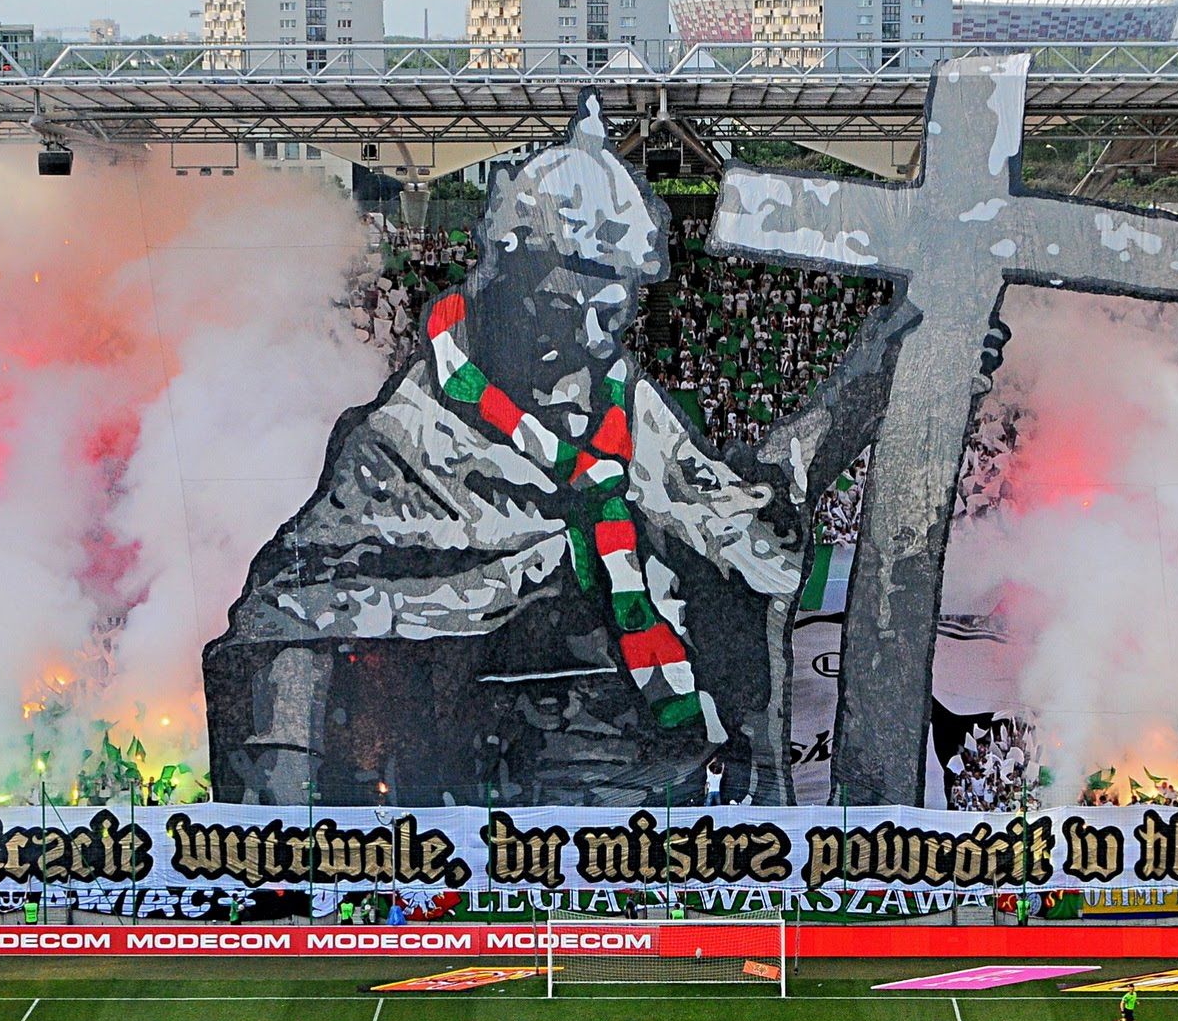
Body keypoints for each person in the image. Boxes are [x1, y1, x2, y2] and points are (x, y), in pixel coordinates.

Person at [204, 96, 900, 808]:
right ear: (508, 281)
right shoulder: (402, 438)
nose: (594, 342)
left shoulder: (630, 409)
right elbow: (284, 620)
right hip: (487, 796)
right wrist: (275, 830)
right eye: (565, 313)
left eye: (613, 314)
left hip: (653, 778)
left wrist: (873, 383)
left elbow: (745, 519)